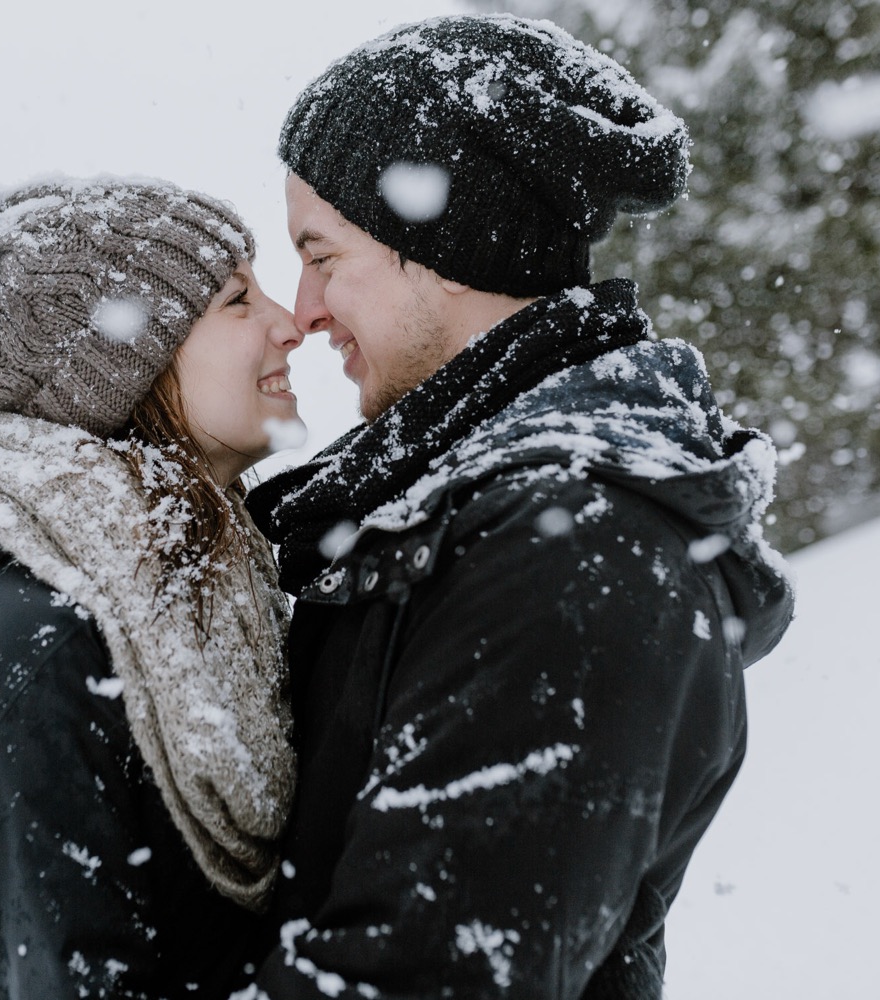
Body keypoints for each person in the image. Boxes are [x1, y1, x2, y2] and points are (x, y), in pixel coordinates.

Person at [237, 15, 796, 999]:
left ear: (445, 244)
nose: (307, 309)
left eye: (322, 254)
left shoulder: (571, 547)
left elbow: (417, 978)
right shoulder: (454, 514)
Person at [0, 177, 306, 999]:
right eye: (238, 301)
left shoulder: (210, 590)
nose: (290, 324)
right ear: (123, 371)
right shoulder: (12, 655)